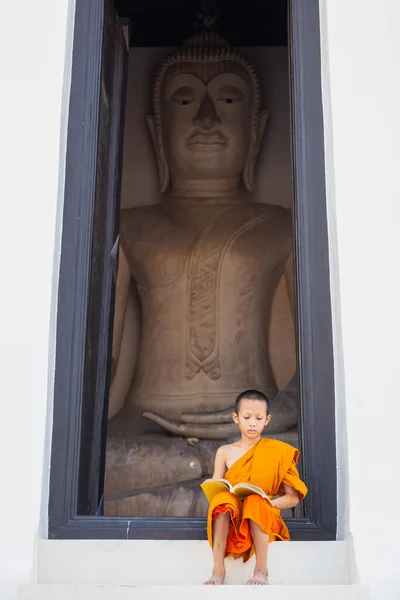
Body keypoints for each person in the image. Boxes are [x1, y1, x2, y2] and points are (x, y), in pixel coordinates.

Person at [204, 389, 307, 585]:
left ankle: (261, 571)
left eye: (258, 418)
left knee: (254, 501)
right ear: (236, 417)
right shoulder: (225, 452)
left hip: (263, 515)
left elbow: (293, 497)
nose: (252, 423)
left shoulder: (278, 452)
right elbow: (216, 486)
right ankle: (218, 570)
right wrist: (220, 491)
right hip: (233, 515)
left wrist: (269, 503)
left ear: (267, 420)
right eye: (247, 417)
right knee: (222, 500)